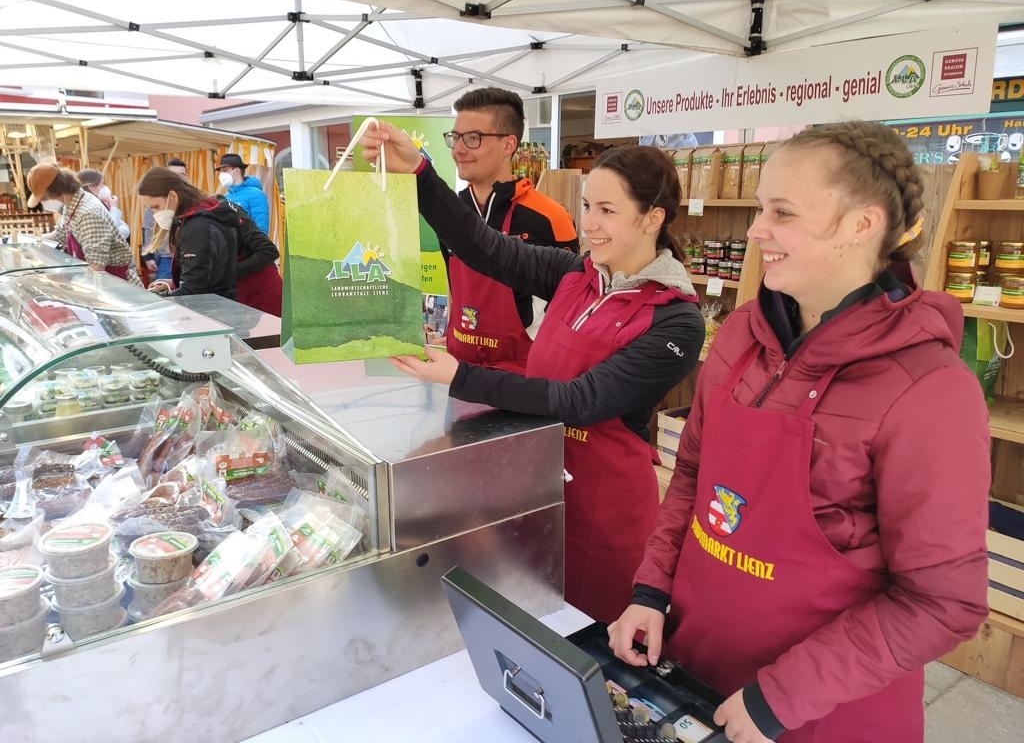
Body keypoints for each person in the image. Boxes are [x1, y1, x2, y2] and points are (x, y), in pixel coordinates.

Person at [608, 122, 990, 743]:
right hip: (695, 672)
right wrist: (651, 589)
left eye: (781, 213)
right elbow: (694, 481)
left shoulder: (929, 391)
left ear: (862, 225)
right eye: (761, 207)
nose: (758, 230)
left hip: (818, 714)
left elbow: (942, 601)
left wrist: (782, 697)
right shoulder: (738, 336)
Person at [363, 124, 705, 624]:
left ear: (653, 217)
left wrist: (462, 378)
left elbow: (581, 400)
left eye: (608, 211)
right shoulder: (573, 275)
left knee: (586, 634)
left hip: (603, 506)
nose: (591, 224)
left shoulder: (676, 319)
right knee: (526, 612)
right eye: (588, 206)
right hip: (534, 479)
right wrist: (419, 173)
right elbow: (482, 246)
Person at [442, 87, 578, 372]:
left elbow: (571, 309)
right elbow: (454, 292)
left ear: (508, 145)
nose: (458, 149)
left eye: (473, 138)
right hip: (458, 372)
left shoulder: (549, 217)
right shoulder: (450, 213)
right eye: (455, 138)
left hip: (524, 378)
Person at [26, 163, 142, 285]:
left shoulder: (88, 213)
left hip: (116, 284)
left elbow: (97, 267)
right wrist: (31, 241)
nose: (44, 202)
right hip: (99, 280)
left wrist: (66, 281)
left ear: (54, 192)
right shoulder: (72, 205)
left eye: (44, 198)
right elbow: (59, 235)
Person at [137, 166, 237, 299]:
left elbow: (193, 289)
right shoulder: (199, 218)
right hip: (217, 303)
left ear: (173, 196)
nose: (155, 214)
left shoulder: (198, 226)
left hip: (210, 309)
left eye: (156, 207)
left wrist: (158, 302)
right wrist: (173, 285)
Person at [217, 153, 269, 235]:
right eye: (221, 171)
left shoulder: (256, 194)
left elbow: (261, 229)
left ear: (237, 171)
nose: (221, 175)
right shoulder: (226, 196)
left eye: (225, 170)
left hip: (248, 246)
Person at [78, 168, 130, 241]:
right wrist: (114, 208)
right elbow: (112, 231)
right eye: (102, 184)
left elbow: (121, 228)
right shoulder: (91, 207)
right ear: (91, 187)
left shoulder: (99, 203)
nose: (105, 187)